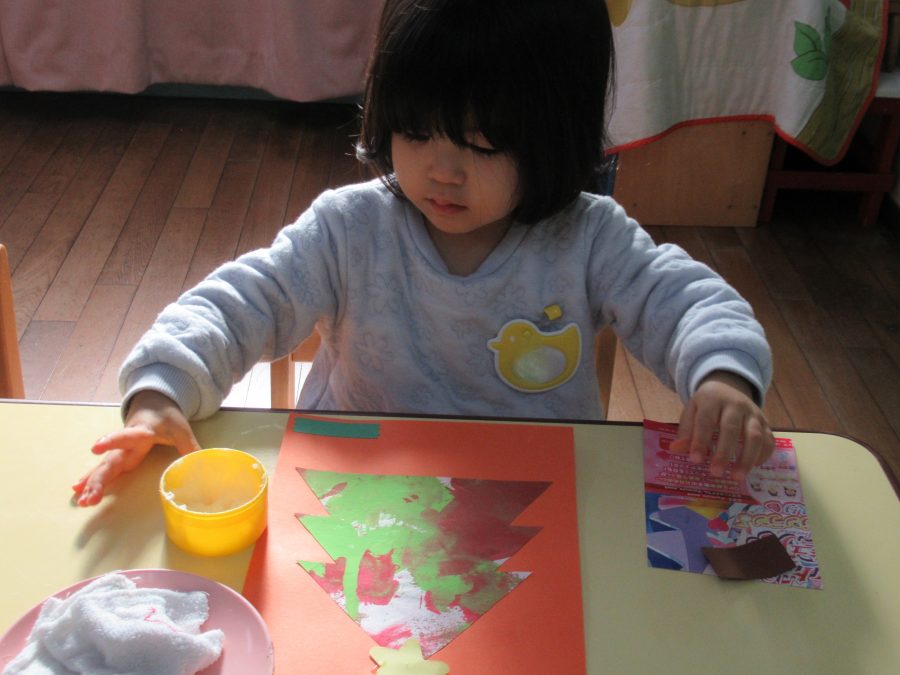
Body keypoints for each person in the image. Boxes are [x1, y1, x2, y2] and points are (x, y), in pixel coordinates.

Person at [73, 0, 774, 507]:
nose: (442, 170)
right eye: (414, 132)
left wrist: (722, 377)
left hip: (535, 499)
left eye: (483, 144)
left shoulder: (589, 238)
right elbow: (236, 304)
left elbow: (688, 301)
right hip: (355, 492)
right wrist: (160, 391)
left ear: (556, 133)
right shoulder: (348, 228)